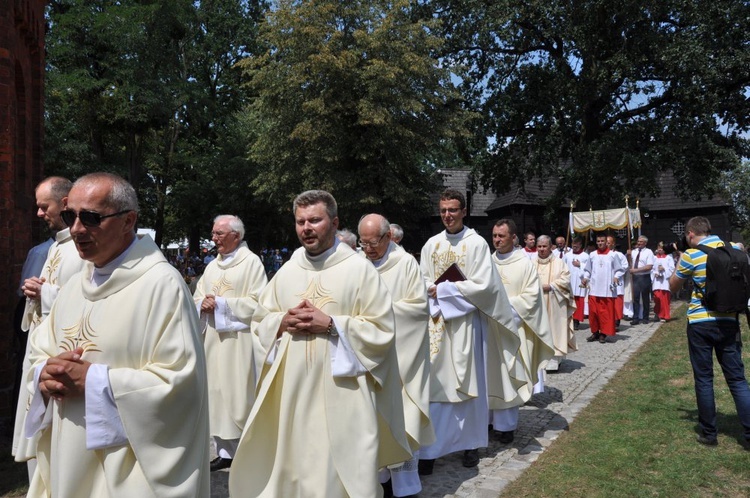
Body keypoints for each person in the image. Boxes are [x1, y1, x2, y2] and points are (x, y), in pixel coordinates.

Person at [23, 172, 209, 497]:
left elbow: (181, 384)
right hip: (69, 453)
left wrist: (95, 381)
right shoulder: (73, 288)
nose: (77, 229)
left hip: (126, 469)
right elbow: (40, 349)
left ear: (129, 221)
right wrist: (43, 373)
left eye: (91, 218)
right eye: (71, 216)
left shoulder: (162, 286)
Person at [229, 190, 410, 497]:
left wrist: (331, 324)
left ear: (334, 222)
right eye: (300, 221)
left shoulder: (358, 269)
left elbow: (382, 329)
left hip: (344, 394)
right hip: (294, 395)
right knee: (296, 468)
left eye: (315, 219)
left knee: (338, 476)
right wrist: (282, 322)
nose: (306, 228)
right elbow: (261, 319)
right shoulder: (288, 270)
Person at [418, 189, 522, 472]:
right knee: (436, 387)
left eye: (452, 210)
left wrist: (444, 289)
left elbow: (485, 287)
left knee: (469, 385)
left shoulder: (476, 244)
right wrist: (432, 290)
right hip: (437, 323)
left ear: (464, 211)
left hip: (467, 325)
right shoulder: (431, 244)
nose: (447, 215)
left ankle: (469, 446)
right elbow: (422, 280)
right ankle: (429, 451)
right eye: (443, 210)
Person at [13, 177, 86, 480]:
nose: (40, 213)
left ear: (65, 203)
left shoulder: (82, 247)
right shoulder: (57, 246)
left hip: (64, 349)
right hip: (40, 346)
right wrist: (36, 292)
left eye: (45, 207)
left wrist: (45, 293)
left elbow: (84, 299)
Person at [358, 213, 434, 498]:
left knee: (400, 419)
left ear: (388, 237)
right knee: (371, 421)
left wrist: (379, 315)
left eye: (372, 242)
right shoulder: (358, 265)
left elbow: (417, 310)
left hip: (401, 359)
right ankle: (377, 481)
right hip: (368, 358)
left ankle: (403, 487)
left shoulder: (405, 264)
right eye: (363, 243)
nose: (367, 249)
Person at [193, 215, 267, 472]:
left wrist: (222, 304)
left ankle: (246, 451)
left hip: (238, 341)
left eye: (219, 234)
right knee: (216, 394)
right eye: (213, 234)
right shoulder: (213, 265)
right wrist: (202, 303)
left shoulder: (252, 263)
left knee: (238, 395)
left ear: (236, 235)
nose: (214, 239)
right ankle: (224, 452)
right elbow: (199, 294)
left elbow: (259, 303)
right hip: (213, 339)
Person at [669, 216, 750, 447]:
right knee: (737, 379)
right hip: (729, 320)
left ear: (691, 234)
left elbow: (673, 285)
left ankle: (709, 434)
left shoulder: (691, 255)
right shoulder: (734, 249)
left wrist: (680, 264)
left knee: (704, 378)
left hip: (700, 322)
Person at [490, 220, 552, 443]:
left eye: (502, 236)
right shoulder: (487, 262)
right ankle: (488, 421)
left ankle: (506, 427)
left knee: (509, 376)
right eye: (495, 235)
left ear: (513, 238)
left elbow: (532, 297)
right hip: (489, 330)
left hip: (513, 330)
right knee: (490, 376)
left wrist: (503, 308)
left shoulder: (524, 264)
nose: (497, 240)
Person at [535, 235, 576, 370]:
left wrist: (551, 286)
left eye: (544, 246)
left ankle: (553, 359)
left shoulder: (559, 263)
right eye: (539, 246)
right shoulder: (530, 263)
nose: (541, 249)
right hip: (536, 305)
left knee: (554, 330)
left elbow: (566, 280)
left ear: (550, 247)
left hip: (555, 304)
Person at [582, 234, 625, 344]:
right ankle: (595, 332)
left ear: (606, 242)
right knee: (593, 313)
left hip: (607, 289)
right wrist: (586, 278)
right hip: (594, 288)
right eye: (598, 241)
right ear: (596, 242)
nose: (600, 243)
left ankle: (603, 334)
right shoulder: (592, 255)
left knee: (605, 314)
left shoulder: (612, 255)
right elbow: (587, 269)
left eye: (602, 241)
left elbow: (619, 269)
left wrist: (616, 276)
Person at [563, 236, 590, 331]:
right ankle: (569, 319)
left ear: (580, 245)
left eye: (576, 246)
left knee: (578, 301)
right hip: (569, 281)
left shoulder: (585, 256)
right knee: (569, 300)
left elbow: (589, 269)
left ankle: (576, 321)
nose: (574, 248)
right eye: (573, 246)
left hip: (580, 281)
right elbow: (563, 266)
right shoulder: (567, 255)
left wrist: (580, 266)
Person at [628, 235, 655, 324]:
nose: (638, 243)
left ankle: (645, 317)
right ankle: (635, 318)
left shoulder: (648, 252)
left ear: (645, 243)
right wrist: (628, 255)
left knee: (645, 298)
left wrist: (636, 270)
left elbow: (649, 266)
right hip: (635, 277)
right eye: (638, 241)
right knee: (635, 298)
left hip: (644, 277)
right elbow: (629, 263)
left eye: (641, 242)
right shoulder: (634, 252)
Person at [607, 235, 630, 329]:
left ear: (613, 244)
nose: (607, 244)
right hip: (605, 283)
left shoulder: (619, 255)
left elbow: (625, 266)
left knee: (617, 303)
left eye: (609, 243)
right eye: (606, 242)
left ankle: (616, 322)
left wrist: (616, 274)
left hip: (616, 283)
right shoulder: (600, 255)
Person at [652, 241, 675, 322]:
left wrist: (664, 270)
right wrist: (655, 273)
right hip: (657, 281)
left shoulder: (669, 257)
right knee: (657, 297)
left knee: (664, 299)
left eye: (661, 249)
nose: (660, 250)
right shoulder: (654, 258)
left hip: (665, 281)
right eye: (659, 248)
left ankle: (665, 315)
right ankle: (657, 313)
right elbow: (652, 269)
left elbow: (672, 269)